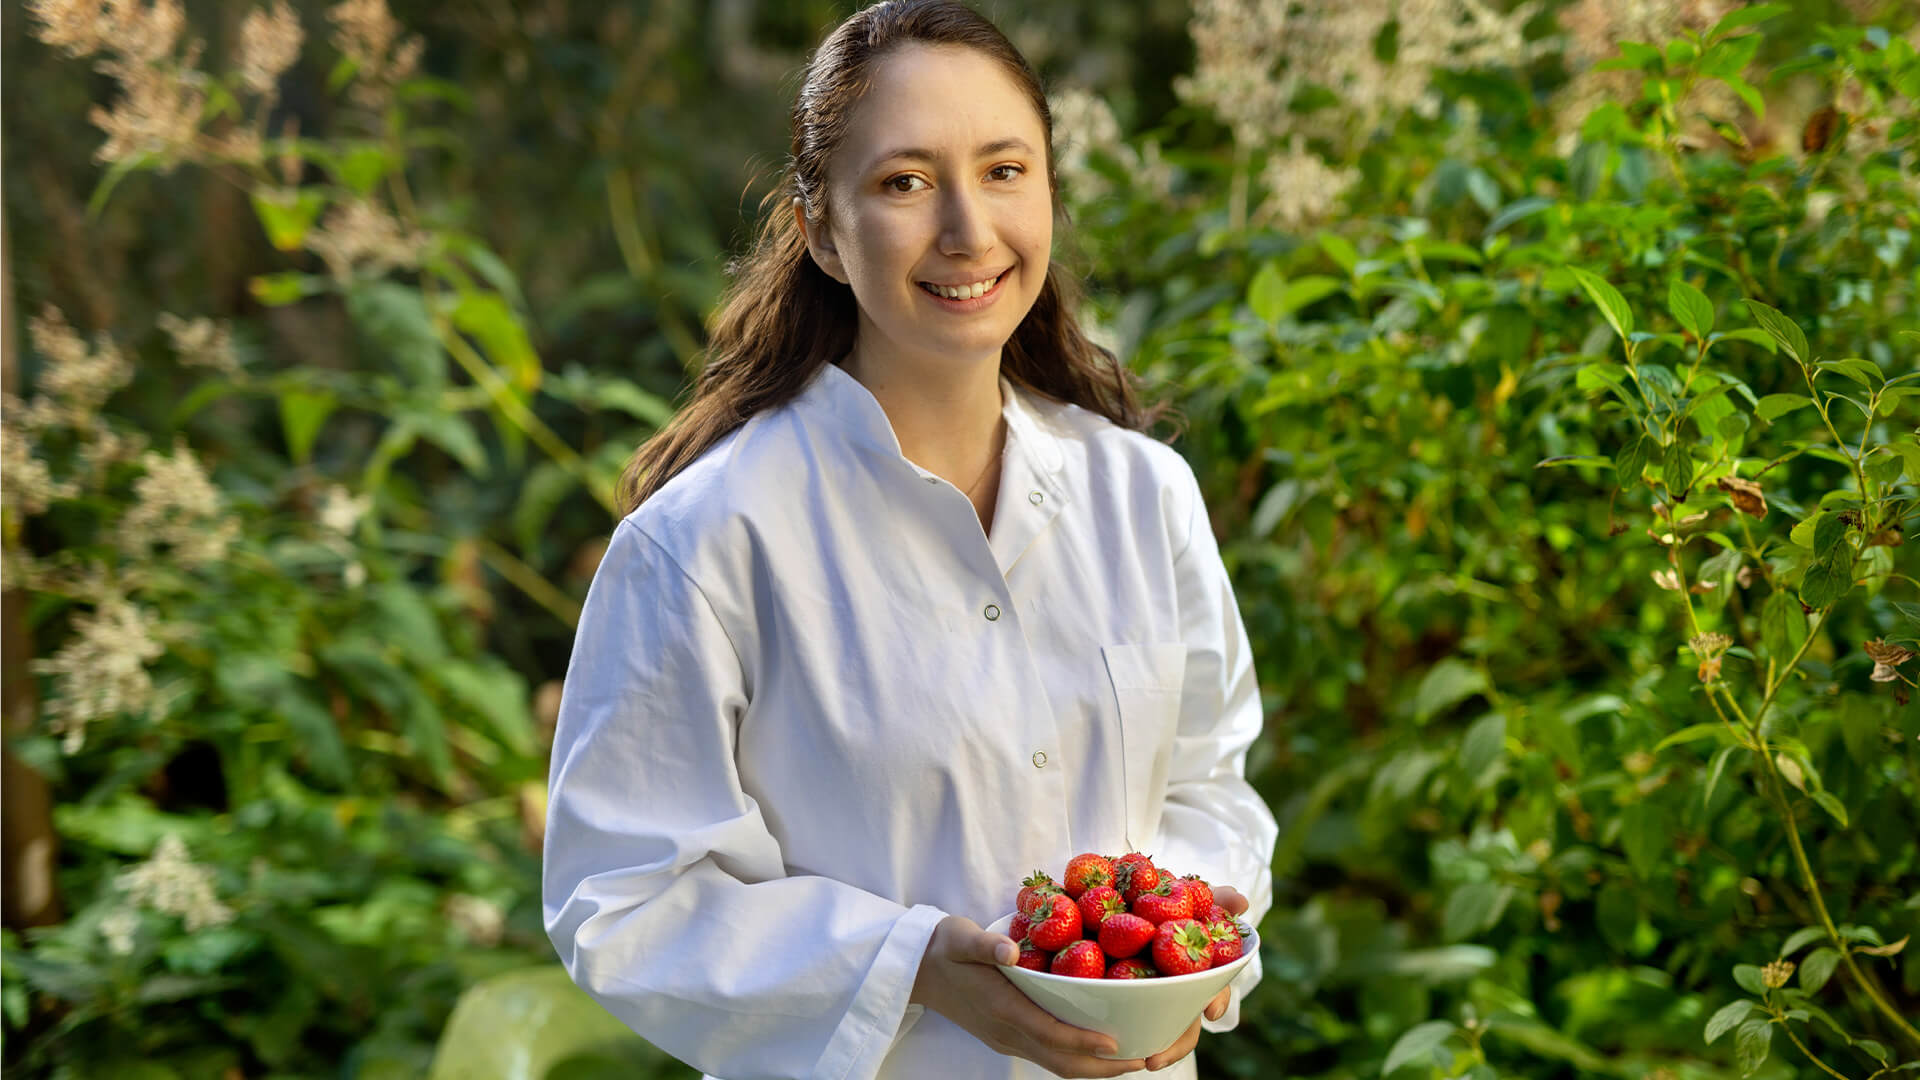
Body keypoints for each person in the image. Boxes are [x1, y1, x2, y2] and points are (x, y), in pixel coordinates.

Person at [541, 1, 1278, 1076]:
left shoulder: (1143, 496)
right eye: (905, 183)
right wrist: (910, 963)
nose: (969, 231)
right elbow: (622, 901)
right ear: (821, 233)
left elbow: (1210, 784)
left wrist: (1168, 963)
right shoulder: (705, 543)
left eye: (1005, 169)